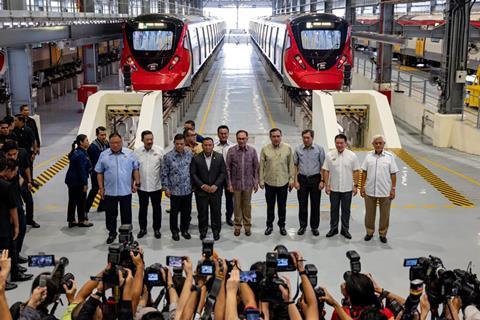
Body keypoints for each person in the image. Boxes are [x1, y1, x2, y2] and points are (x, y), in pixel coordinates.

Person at [95, 133, 140, 244]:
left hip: (125, 191)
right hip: (110, 191)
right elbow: (99, 172)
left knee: (126, 214)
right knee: (110, 214)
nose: (115, 145)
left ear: (122, 142)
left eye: (118, 142)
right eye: (112, 143)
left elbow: (135, 169)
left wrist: (136, 182)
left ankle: (127, 234)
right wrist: (101, 188)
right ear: (109, 143)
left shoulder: (130, 154)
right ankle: (112, 233)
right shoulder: (103, 155)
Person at [360, 135, 399, 244]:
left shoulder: (389, 157)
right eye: (376, 143)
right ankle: (369, 232)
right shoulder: (368, 156)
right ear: (373, 144)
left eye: (380, 143)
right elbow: (364, 172)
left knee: (385, 215)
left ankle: (383, 233)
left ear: (383, 144)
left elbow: (393, 174)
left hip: (385, 191)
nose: (378, 145)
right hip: (370, 190)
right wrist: (362, 187)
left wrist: (393, 189)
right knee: (369, 214)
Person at [323, 133, 360, 239]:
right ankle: (333, 229)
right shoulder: (330, 155)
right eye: (337, 143)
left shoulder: (352, 156)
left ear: (345, 143)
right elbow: (325, 170)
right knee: (334, 210)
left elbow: (356, 171)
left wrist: (356, 185)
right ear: (335, 143)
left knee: (346, 210)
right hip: (334, 188)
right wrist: (327, 185)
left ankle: (345, 230)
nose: (339, 145)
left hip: (347, 189)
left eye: (341, 143)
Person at [259, 128, 294, 236]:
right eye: (273, 136)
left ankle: (282, 225)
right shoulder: (265, 149)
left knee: (282, 206)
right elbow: (261, 166)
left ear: (281, 136)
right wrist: (261, 180)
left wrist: (291, 179)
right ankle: (269, 225)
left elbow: (291, 165)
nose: (276, 138)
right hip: (269, 182)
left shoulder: (287, 148)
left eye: (278, 136)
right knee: (270, 206)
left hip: (283, 182)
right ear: (270, 137)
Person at [190, 137, 226, 241]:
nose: (207, 147)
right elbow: (193, 173)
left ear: (213, 146)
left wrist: (216, 185)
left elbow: (223, 172)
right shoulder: (196, 158)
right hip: (201, 191)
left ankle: (216, 231)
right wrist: (202, 185)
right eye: (205, 145)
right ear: (202, 146)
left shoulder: (219, 157)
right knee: (202, 212)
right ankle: (203, 230)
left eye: (210, 145)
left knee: (216, 212)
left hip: (215, 191)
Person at [161, 134, 194, 241]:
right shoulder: (168, 157)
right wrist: (166, 188)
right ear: (174, 143)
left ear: (185, 144)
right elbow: (164, 173)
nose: (179, 146)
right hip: (174, 191)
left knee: (186, 212)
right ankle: (174, 231)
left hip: (187, 189)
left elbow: (193, 171)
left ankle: (184, 230)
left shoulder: (189, 154)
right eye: (177, 144)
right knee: (174, 213)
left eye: (182, 144)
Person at [226, 130, 259, 237]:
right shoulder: (231, 151)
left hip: (248, 184)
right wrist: (229, 184)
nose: (241, 140)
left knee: (247, 206)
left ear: (247, 139)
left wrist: (256, 181)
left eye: (243, 138)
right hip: (236, 185)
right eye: (239, 138)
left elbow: (256, 167)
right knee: (237, 206)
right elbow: (228, 169)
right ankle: (237, 226)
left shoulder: (252, 151)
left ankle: (247, 226)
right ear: (236, 139)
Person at [293, 129, 325, 237]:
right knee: (302, 204)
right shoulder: (298, 149)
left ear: (312, 138)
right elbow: (295, 166)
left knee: (315, 204)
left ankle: (314, 227)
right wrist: (295, 181)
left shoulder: (319, 149)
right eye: (304, 138)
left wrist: (322, 180)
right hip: (302, 179)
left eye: (308, 137)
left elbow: (322, 166)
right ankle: (303, 226)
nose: (306, 140)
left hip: (315, 179)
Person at [134, 130, 163, 239]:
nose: (150, 141)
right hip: (142, 187)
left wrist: (164, 184)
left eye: (151, 139)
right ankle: (143, 229)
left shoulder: (159, 151)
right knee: (142, 209)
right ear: (142, 140)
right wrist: (134, 182)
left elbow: (163, 169)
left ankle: (157, 229)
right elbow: (134, 169)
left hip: (156, 186)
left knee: (157, 209)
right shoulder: (137, 152)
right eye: (147, 140)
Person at [64, 134, 93, 228]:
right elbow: (82, 170)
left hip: (71, 181)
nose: (88, 142)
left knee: (72, 201)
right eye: (86, 140)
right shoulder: (81, 155)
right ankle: (82, 220)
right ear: (81, 142)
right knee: (81, 201)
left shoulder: (76, 152)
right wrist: (85, 183)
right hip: (78, 181)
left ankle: (71, 220)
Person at [0, 158, 20, 291]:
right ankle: (3, 281)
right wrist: (17, 226)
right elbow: (12, 208)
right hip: (3, 226)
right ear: (7, 170)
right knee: (4, 254)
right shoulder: (6, 186)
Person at [214, 125, 235, 226]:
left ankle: (229, 217)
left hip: (229, 177)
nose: (223, 135)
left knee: (230, 199)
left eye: (225, 133)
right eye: (221, 133)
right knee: (216, 199)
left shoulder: (233, 146)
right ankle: (217, 218)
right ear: (218, 134)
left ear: (228, 134)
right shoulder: (212, 146)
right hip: (216, 177)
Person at [85, 126, 109, 215]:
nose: (103, 137)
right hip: (96, 172)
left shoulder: (106, 143)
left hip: (105, 171)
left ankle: (102, 206)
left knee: (105, 189)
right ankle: (85, 209)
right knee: (95, 189)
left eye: (105, 135)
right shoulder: (93, 147)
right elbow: (98, 161)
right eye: (101, 135)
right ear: (97, 135)